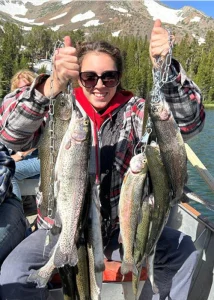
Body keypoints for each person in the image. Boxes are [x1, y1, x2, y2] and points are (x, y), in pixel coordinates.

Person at [0, 19, 205, 300]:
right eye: (89, 77)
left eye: (108, 76)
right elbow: (10, 135)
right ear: (77, 78)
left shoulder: (137, 112)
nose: (99, 85)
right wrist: (51, 85)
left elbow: (190, 124)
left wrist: (165, 69)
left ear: (119, 77)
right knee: (13, 275)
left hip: (123, 229)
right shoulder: (60, 112)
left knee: (183, 251)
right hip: (58, 229)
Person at [9, 70, 40, 213]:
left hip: (42, 159)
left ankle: (17, 217)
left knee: (8, 172)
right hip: (24, 160)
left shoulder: (40, 109)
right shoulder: (13, 112)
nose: (23, 92)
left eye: (27, 88)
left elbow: (44, 141)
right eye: (19, 89)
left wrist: (20, 155)